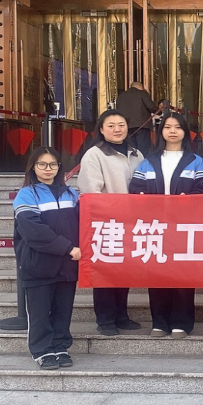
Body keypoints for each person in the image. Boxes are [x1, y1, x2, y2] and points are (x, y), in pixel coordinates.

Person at [129, 111, 203, 339]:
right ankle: (159, 322)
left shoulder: (197, 161)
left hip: (185, 227)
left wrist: (188, 200)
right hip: (156, 226)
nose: (172, 131)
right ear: (160, 131)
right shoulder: (148, 162)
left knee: (183, 274)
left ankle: (182, 322)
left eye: (178, 127)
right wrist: (142, 198)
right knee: (157, 274)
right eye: (167, 127)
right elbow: (135, 189)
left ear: (185, 132)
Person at [12, 146, 81, 370]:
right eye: (42, 164)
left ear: (59, 167)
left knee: (63, 310)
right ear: (33, 167)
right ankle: (42, 351)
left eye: (53, 164)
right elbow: (33, 231)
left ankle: (60, 347)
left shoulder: (71, 194)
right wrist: (67, 247)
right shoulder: (26, 194)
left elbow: (86, 222)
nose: (47, 169)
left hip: (67, 265)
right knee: (39, 313)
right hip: (38, 264)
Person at [78, 109, 144, 336]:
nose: (117, 129)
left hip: (132, 223)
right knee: (105, 270)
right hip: (106, 222)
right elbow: (91, 191)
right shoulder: (94, 154)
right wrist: (108, 213)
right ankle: (105, 319)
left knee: (124, 270)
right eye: (111, 125)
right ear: (101, 130)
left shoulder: (136, 153)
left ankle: (121, 315)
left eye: (121, 125)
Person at [115, 82, 157, 156]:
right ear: (140, 87)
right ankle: (142, 163)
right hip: (142, 126)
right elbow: (151, 107)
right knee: (143, 150)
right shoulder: (142, 93)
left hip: (126, 127)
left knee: (131, 150)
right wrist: (159, 110)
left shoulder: (121, 96)